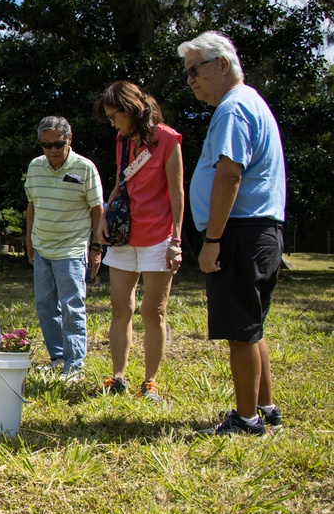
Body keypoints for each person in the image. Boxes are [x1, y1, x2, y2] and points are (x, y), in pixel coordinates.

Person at [178, 31, 286, 435]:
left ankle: (246, 421)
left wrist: (212, 240)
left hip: (240, 232)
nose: (189, 79)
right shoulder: (249, 102)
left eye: (195, 70)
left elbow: (228, 175)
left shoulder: (233, 108)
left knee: (240, 330)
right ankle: (266, 409)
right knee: (251, 325)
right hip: (259, 230)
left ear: (222, 65)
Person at [93, 81, 184, 402]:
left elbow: (177, 193)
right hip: (123, 237)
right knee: (120, 308)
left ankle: (150, 382)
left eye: (114, 115)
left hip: (159, 238)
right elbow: (121, 182)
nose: (112, 123)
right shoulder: (122, 141)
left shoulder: (168, 139)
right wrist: (104, 215)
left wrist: (177, 240)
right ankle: (118, 377)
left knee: (153, 312)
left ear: (131, 109)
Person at [24, 117, 104, 381]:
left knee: (72, 307)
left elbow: (97, 209)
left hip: (72, 249)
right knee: (45, 305)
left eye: (58, 144)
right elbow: (32, 204)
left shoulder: (85, 167)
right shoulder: (35, 167)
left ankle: (75, 366)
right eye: (46, 145)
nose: (52, 150)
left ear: (70, 139)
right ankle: (57, 358)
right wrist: (29, 239)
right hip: (42, 246)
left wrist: (96, 246)